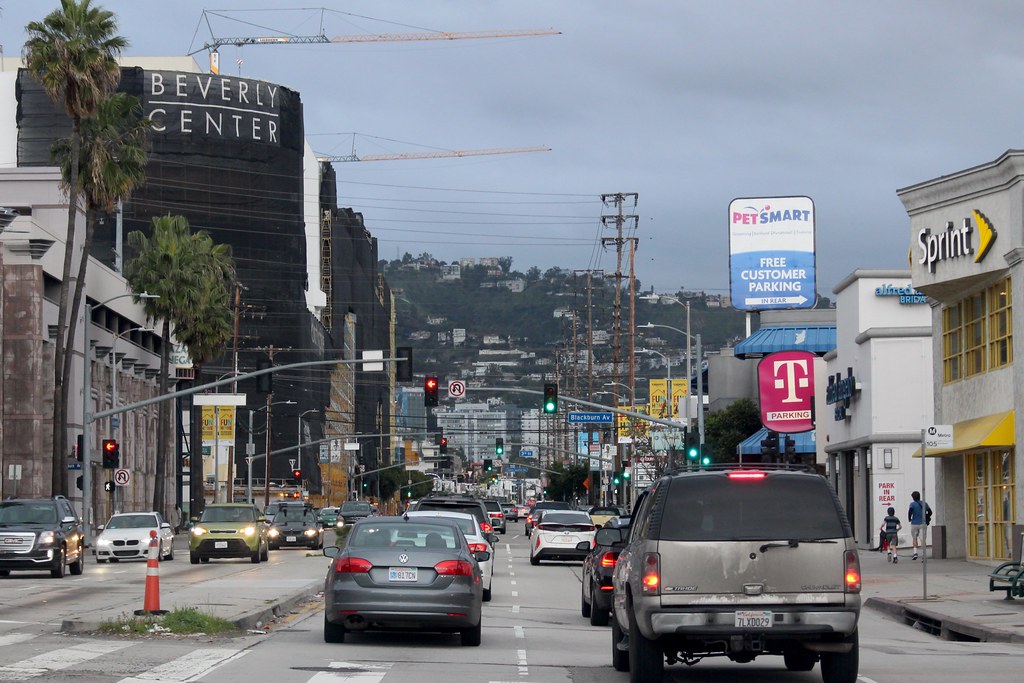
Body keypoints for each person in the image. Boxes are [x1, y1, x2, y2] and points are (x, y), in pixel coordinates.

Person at [908, 491, 933, 560]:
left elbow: (910, 512)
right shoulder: (924, 503)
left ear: (913, 497)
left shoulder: (912, 504)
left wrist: (909, 518)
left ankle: (915, 553)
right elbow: (930, 512)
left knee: (914, 538)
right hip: (923, 523)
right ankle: (924, 554)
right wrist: (926, 515)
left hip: (914, 523)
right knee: (923, 539)